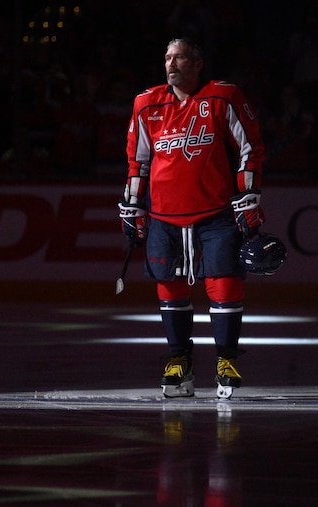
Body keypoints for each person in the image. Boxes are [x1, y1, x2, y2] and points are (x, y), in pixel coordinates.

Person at [119, 38, 266, 398]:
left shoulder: (223, 97)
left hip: (216, 213)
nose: (170, 63)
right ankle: (178, 360)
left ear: (197, 62)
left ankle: (226, 360)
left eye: (179, 57)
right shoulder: (146, 104)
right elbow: (137, 162)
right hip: (164, 216)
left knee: (225, 284)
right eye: (166, 57)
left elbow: (250, 147)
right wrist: (133, 205)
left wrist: (247, 198)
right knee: (170, 287)